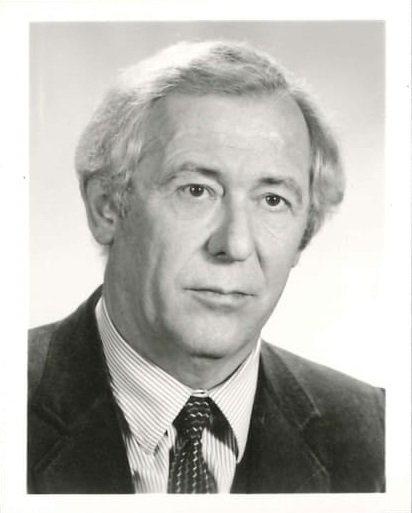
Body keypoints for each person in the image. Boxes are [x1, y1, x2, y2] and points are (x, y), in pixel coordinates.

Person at [28, 40, 384, 494]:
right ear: (106, 207)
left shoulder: (380, 435)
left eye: (273, 200)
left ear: (305, 233)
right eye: (196, 190)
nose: (234, 245)